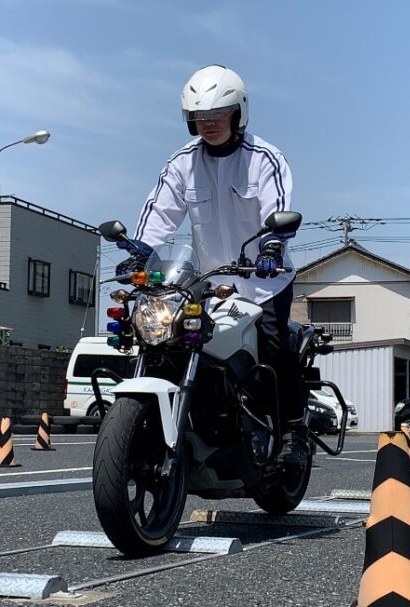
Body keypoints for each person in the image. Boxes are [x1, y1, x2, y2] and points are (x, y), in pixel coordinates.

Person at [118, 64, 307, 467]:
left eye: (218, 115)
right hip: (206, 281)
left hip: (262, 280)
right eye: (200, 118)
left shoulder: (264, 158)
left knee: (274, 348)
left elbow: (278, 209)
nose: (209, 124)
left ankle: (292, 431)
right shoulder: (182, 163)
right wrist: (140, 251)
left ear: (238, 114)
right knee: (167, 339)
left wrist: (272, 246)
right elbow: (159, 214)